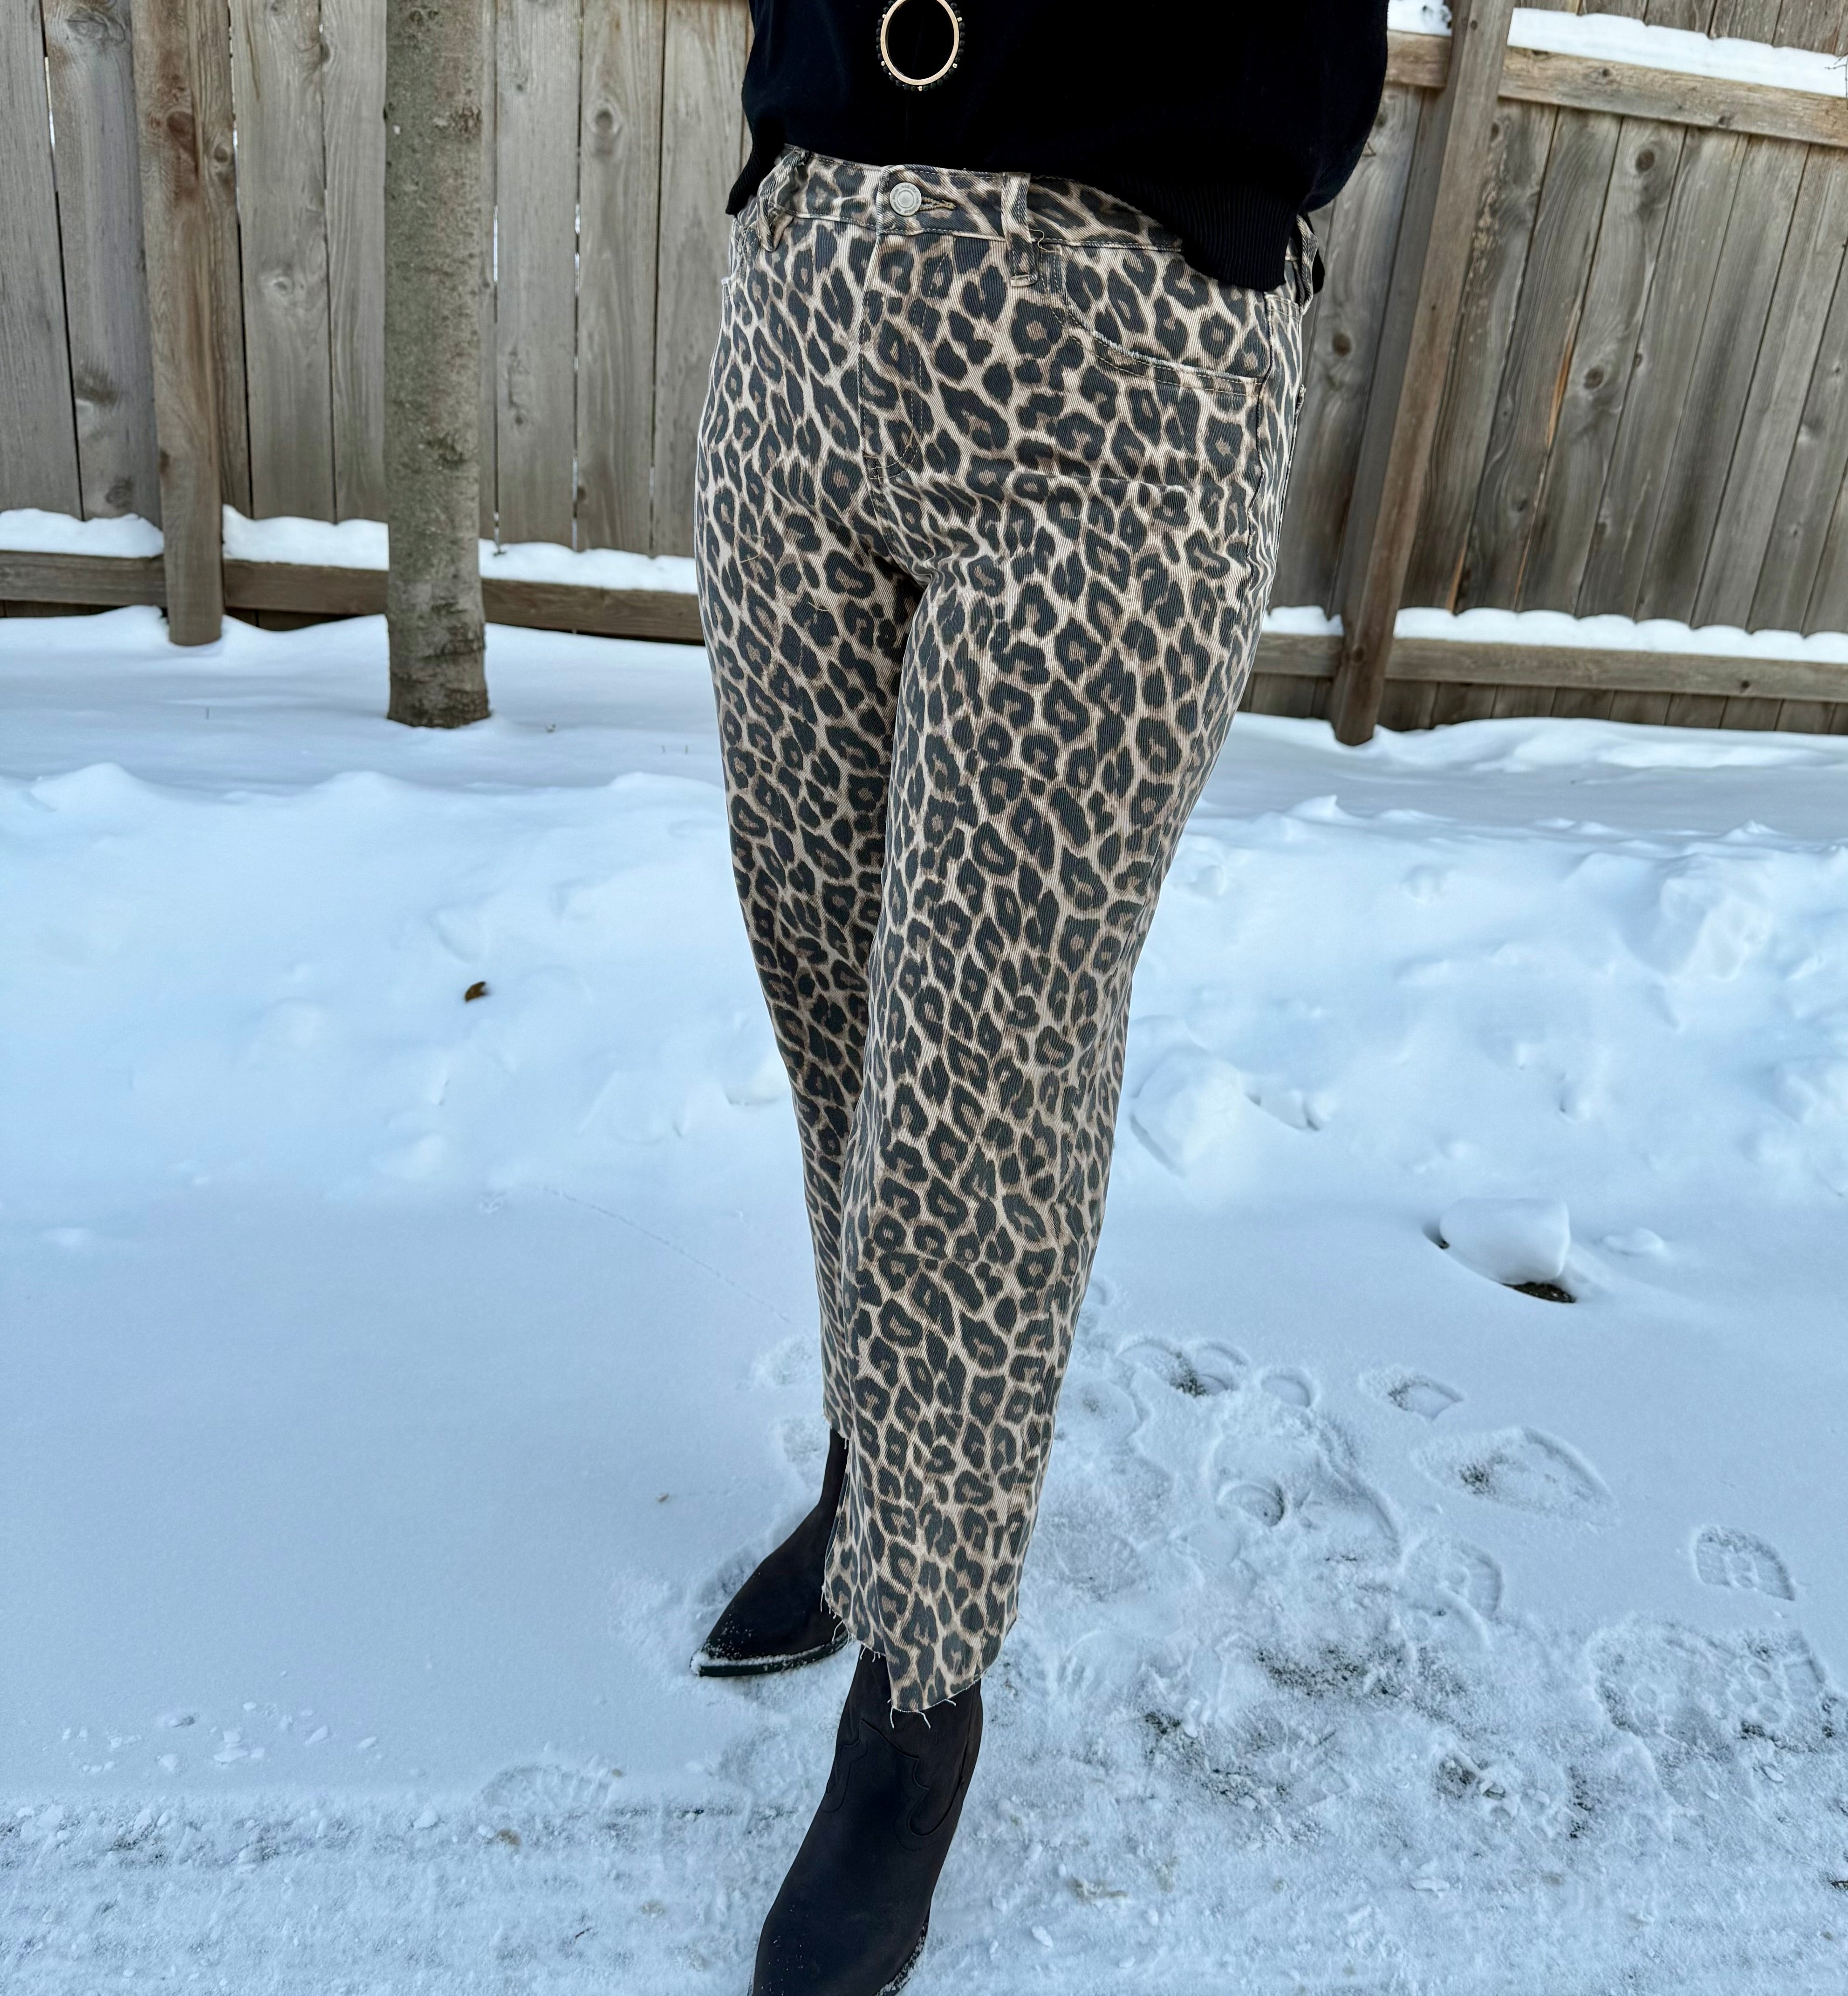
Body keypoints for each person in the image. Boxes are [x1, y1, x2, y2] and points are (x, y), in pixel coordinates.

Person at [689, 3, 1387, 1989]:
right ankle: (872, 1474)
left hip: (1126, 342)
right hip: (811, 299)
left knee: (982, 1071)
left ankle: (919, 1694)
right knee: (827, 991)